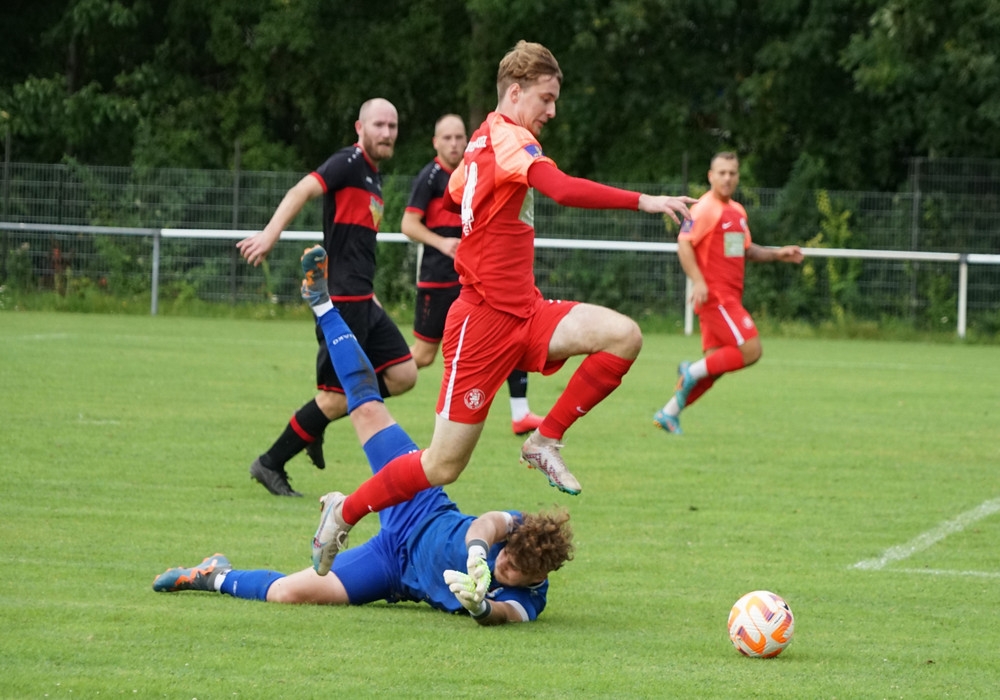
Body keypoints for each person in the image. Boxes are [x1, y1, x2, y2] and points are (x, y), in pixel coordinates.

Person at [308, 40, 695, 577]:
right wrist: (645, 200)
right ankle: (343, 511)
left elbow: (458, 191)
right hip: (482, 324)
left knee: (623, 335)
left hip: (527, 313)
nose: (552, 111)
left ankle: (545, 439)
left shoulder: (484, 140)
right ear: (515, 92)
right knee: (442, 465)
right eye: (546, 98)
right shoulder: (510, 139)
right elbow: (560, 189)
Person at [152, 246, 574, 626]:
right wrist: (480, 551)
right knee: (367, 406)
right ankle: (322, 303)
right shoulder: (516, 531)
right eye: (508, 556)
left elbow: (504, 614)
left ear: (539, 576)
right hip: (420, 504)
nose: (505, 567)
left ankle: (211, 574)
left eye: (515, 571)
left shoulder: (530, 599)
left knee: (287, 593)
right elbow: (487, 523)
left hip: (393, 568)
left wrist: (480, 607)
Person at [236, 98, 418, 497]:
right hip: (341, 301)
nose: (387, 133)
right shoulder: (348, 163)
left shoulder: (372, 176)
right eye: (379, 125)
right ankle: (270, 463)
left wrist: (372, 296)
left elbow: (355, 246)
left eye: (392, 126)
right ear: (360, 128)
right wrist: (269, 235)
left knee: (404, 373)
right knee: (335, 399)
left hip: (363, 298)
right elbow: (302, 189)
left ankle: (314, 420)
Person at [402, 113, 543, 436]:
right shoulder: (430, 177)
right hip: (438, 279)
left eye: (458, 137)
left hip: (475, 278)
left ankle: (520, 413)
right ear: (435, 143)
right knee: (423, 355)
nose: (454, 144)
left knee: (511, 333)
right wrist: (442, 243)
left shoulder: (475, 169)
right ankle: (369, 386)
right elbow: (408, 224)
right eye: (447, 138)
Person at [653, 152, 804, 435]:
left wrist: (778, 254)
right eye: (721, 173)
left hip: (728, 297)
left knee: (714, 368)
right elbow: (684, 244)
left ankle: (669, 412)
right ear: (710, 176)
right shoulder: (703, 209)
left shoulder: (737, 211)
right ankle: (689, 370)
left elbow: (745, 250)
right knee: (751, 350)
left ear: (737, 176)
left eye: (732, 173)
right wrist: (698, 281)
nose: (727, 178)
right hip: (716, 297)